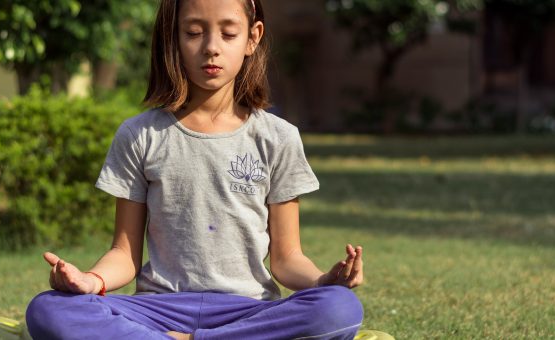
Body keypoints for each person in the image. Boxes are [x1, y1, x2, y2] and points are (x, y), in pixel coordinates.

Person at [25, 0, 365, 339]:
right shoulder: (139, 135)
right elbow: (123, 255)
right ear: (173, 39)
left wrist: (324, 282)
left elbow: (287, 258)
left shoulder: (279, 138)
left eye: (228, 33)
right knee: (49, 309)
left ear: (253, 37)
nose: (211, 48)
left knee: (339, 308)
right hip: (158, 310)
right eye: (193, 33)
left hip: (247, 309)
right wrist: (91, 281)